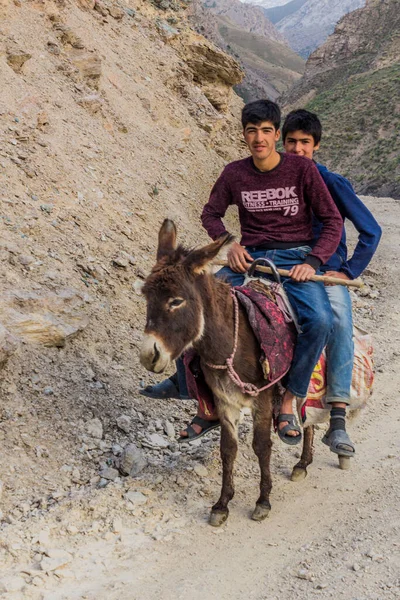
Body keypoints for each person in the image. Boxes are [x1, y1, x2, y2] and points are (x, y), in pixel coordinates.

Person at [142, 99, 343, 445]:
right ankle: (204, 402)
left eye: (266, 131)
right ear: (245, 136)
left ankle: (290, 400)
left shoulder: (302, 170)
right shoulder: (234, 173)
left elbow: (332, 221)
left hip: (293, 260)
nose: (259, 138)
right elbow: (211, 213)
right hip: (248, 259)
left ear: (277, 135)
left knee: (321, 321)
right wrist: (230, 245)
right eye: (252, 131)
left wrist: (311, 263)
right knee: (193, 302)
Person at [281, 109, 382, 455]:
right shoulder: (275, 181)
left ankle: (337, 417)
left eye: (304, 143)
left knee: (338, 319)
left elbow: (371, 230)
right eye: (291, 141)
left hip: (325, 272)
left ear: (316, 145)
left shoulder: (332, 183)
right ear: (282, 143)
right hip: (281, 268)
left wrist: (348, 271)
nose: (297, 149)